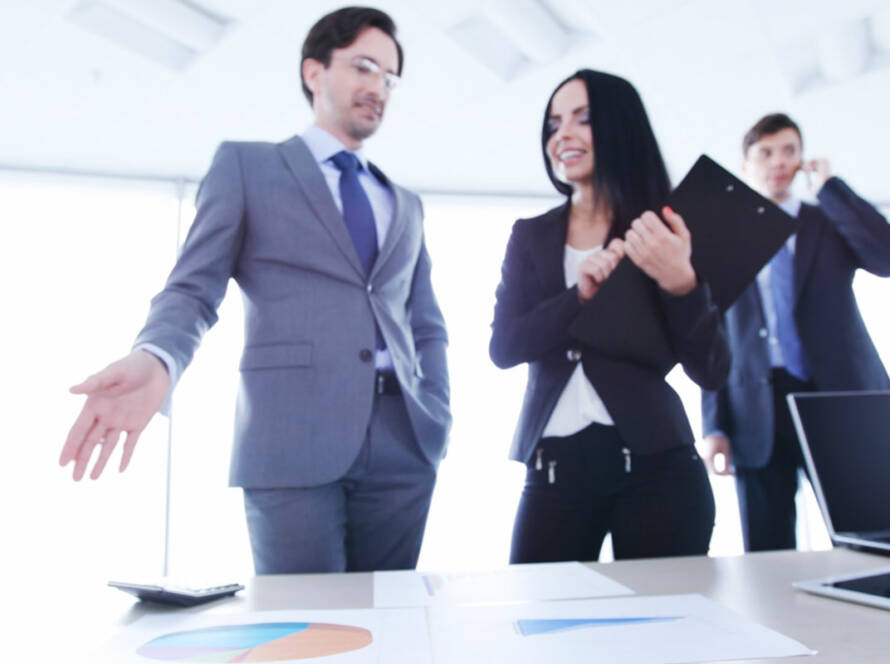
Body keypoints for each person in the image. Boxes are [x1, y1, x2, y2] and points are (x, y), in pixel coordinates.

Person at [58, 6, 451, 574]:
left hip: (404, 442)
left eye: (389, 78)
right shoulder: (248, 167)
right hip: (292, 437)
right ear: (314, 72)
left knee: (389, 629)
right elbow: (193, 288)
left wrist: (434, 408)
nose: (378, 88)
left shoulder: (405, 203)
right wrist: (158, 356)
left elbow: (426, 323)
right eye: (365, 67)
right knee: (307, 635)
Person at [490, 69, 730, 563]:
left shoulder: (664, 229)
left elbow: (712, 369)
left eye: (584, 119)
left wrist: (680, 282)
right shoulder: (529, 235)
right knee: (542, 628)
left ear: (620, 127)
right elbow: (504, 348)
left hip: (656, 467)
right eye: (554, 124)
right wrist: (576, 296)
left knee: (664, 633)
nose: (564, 136)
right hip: (553, 469)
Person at [701, 113, 890, 552]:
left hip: (839, 397)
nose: (779, 162)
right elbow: (711, 334)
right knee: (767, 549)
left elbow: (884, 257)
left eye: (790, 150)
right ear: (745, 164)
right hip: (756, 405)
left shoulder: (827, 221)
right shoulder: (725, 237)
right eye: (765, 153)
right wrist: (714, 424)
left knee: (868, 539)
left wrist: (831, 190)